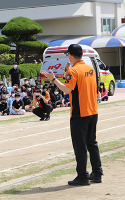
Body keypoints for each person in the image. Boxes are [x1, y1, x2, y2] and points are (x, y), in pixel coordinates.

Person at [42, 44, 103, 185]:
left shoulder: (73, 71)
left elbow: (67, 90)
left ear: (70, 55)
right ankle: (97, 173)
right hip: (92, 111)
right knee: (92, 143)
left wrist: (53, 79)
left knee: (80, 146)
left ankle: (82, 176)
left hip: (79, 113)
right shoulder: (90, 68)